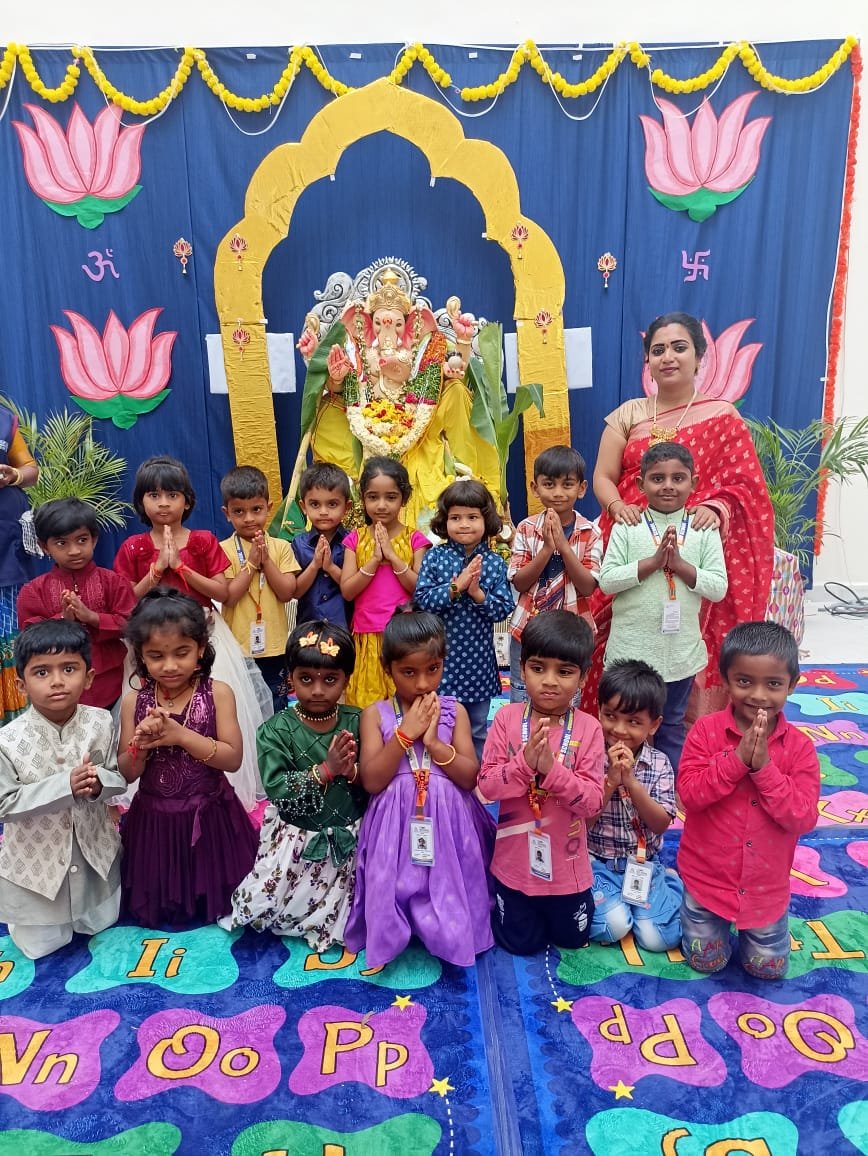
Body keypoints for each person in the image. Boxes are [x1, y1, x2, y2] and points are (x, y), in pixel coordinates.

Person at [588, 311, 774, 715]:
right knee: (614, 628)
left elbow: (746, 486)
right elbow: (603, 476)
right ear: (648, 361)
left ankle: (687, 728)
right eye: (658, 350)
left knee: (686, 642)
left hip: (698, 542)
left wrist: (715, 506)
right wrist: (618, 507)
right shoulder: (628, 413)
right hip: (632, 536)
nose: (668, 357)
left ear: (699, 357)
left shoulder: (723, 416)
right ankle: (615, 725)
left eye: (678, 347)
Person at [115, 455, 269, 810]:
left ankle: (219, 785)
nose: (164, 503)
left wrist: (181, 567)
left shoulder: (201, 541)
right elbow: (125, 601)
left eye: (172, 495)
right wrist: (156, 571)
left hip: (201, 640)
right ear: (141, 502)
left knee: (211, 707)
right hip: (153, 647)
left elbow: (223, 592)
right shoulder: (133, 547)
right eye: (154, 495)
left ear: (187, 501)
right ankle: (158, 782)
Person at [344, 608, 495, 968]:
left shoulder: (454, 711)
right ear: (388, 668)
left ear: (444, 663)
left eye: (433, 669)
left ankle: (449, 929)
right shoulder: (374, 714)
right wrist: (404, 734)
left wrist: (436, 745)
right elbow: (373, 780)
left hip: (449, 823)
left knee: (446, 882)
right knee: (394, 881)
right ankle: (395, 927)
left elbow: (469, 777)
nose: (423, 683)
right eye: (408, 672)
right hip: (393, 825)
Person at [296, 266, 500, 531]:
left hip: (417, 427)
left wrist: (462, 343)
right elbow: (343, 390)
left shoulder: (420, 349)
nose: (387, 329)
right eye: (380, 323)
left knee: (457, 391)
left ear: (410, 325)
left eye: (396, 323)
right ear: (369, 325)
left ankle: (473, 481)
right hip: (365, 424)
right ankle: (345, 486)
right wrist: (334, 377)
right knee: (327, 409)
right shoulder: (361, 350)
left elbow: (455, 368)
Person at [678, 622, 820, 979]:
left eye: (773, 684)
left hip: (765, 890)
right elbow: (689, 796)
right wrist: (736, 761)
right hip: (706, 881)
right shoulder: (705, 731)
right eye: (744, 681)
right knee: (705, 962)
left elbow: (803, 817)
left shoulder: (800, 748)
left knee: (768, 970)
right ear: (725, 681)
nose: (758, 695)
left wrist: (764, 770)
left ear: (792, 685)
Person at [117, 590, 259, 926]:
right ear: (141, 656)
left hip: (210, 818)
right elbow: (127, 772)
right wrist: (142, 745)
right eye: (156, 656)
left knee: (219, 895)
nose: (169, 666)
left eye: (181, 653)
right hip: (154, 823)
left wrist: (181, 736)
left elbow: (232, 758)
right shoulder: (133, 702)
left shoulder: (217, 693)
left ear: (200, 649)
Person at [222, 622, 367, 950]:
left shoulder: (358, 721)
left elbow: (373, 781)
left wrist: (352, 771)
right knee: (263, 908)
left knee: (353, 914)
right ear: (290, 678)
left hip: (350, 835)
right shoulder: (275, 730)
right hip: (296, 839)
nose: (317, 690)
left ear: (347, 679)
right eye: (306, 679)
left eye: (330, 680)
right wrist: (326, 770)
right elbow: (276, 787)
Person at [478, 611, 605, 956]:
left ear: (583, 677)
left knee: (573, 941)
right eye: (538, 668)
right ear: (522, 670)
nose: (549, 681)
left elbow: (592, 802)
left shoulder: (589, 728)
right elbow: (487, 786)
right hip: (514, 870)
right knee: (520, 945)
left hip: (568, 872)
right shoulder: (506, 720)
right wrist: (524, 764)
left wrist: (552, 770)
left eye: (564, 672)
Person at [0, 621, 126, 958]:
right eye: (41, 672)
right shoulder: (7, 740)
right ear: (21, 684)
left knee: (101, 922)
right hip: (36, 869)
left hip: (95, 855)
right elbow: (4, 804)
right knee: (41, 944)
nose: (57, 681)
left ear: (89, 677)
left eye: (69, 669)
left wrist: (99, 784)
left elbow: (116, 776)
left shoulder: (101, 721)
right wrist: (64, 786)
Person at [598, 444, 727, 771]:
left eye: (677, 478)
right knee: (622, 725)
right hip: (629, 654)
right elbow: (607, 581)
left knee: (670, 725)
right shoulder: (628, 525)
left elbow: (718, 588)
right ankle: (616, 785)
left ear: (693, 483)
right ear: (640, 484)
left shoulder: (703, 528)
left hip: (678, 655)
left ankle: (669, 790)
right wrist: (653, 563)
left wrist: (680, 566)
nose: (668, 485)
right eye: (657, 478)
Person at [415, 479, 514, 757]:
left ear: (486, 520)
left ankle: (476, 774)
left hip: (478, 663)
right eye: (456, 518)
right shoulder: (435, 557)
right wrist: (456, 588)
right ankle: (441, 775)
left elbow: (503, 608)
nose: (464, 525)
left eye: (472, 517)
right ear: (444, 521)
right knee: (439, 726)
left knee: (478, 729)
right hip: (440, 661)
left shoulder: (494, 562)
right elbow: (422, 600)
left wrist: (478, 593)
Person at [589, 660, 682, 951]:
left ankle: (669, 882)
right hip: (597, 862)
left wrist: (631, 782)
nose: (619, 730)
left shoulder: (659, 763)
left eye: (633, 722)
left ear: (654, 725)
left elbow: (661, 823)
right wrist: (609, 781)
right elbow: (582, 822)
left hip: (643, 863)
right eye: (610, 716)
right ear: (599, 711)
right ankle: (621, 903)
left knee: (659, 940)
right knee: (613, 926)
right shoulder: (589, 757)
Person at [17, 498, 137, 710]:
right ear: (44, 546)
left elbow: (132, 625)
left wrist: (92, 617)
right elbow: (29, 637)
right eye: (62, 543)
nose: (74, 550)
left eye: (82, 540)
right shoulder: (33, 591)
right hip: (59, 688)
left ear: (94, 540)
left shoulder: (113, 582)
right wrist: (63, 620)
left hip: (112, 683)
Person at [507, 446, 601, 704]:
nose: (558, 492)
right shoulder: (526, 528)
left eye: (567, 484)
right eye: (549, 484)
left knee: (567, 697)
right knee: (522, 691)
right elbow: (519, 582)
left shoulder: (590, 532)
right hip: (527, 628)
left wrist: (564, 547)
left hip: (572, 632)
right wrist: (547, 548)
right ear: (535, 488)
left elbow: (587, 587)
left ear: (581, 488)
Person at [340, 457, 429, 708]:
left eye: (390, 497)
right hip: (367, 634)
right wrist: (374, 561)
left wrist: (392, 556)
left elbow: (420, 589)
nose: (381, 505)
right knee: (367, 703)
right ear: (362, 498)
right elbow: (347, 590)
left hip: (405, 636)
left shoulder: (415, 539)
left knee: (406, 701)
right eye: (373, 497)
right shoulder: (355, 539)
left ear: (404, 499)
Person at [219, 465, 300, 713]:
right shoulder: (223, 550)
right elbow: (230, 597)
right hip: (239, 650)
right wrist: (252, 563)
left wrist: (266, 561)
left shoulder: (281, 547)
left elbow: (287, 592)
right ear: (227, 514)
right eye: (239, 511)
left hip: (275, 647)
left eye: (256, 509)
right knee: (243, 709)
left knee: (276, 707)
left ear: (269, 507)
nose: (249, 518)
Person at [0, 406, 39, 724]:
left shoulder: (3, 419)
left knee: (9, 627)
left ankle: (13, 719)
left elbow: (30, 470)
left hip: (5, 542)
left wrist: (14, 475)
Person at [291, 462, 353, 632]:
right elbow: (295, 592)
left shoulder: (352, 542)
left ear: (346, 507)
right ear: (303, 507)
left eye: (332, 504)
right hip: (308, 629)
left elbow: (354, 589)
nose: (323, 511)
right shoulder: (299, 544)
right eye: (315, 504)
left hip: (344, 628)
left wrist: (331, 567)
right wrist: (314, 565)